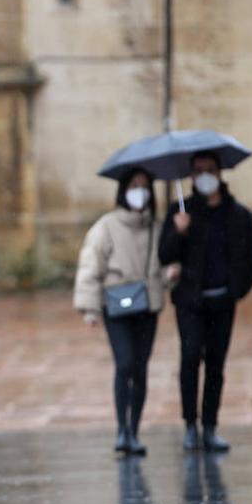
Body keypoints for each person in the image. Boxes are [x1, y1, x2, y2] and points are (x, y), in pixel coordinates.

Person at [159, 151, 252, 452]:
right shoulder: (182, 212)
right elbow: (164, 254)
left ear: (219, 173)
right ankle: (190, 424)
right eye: (198, 171)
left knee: (216, 364)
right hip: (190, 301)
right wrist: (178, 232)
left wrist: (237, 290)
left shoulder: (238, 214)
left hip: (222, 301)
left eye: (209, 170)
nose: (203, 175)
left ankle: (210, 426)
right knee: (190, 358)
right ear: (190, 176)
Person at [74, 168, 171, 456]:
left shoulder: (158, 226)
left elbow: (162, 267)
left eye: (144, 186)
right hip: (116, 307)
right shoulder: (106, 226)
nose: (139, 191)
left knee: (140, 369)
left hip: (148, 306)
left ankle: (134, 430)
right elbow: (91, 267)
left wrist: (170, 274)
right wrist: (89, 308)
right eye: (133, 186)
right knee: (125, 364)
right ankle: (121, 428)